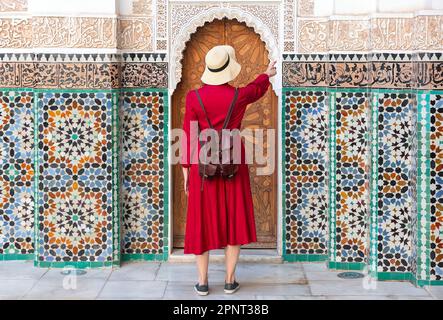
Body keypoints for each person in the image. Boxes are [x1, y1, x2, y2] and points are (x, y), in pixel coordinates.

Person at [180, 45, 277, 296]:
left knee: (201, 222)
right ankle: (229, 281)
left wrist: (186, 174)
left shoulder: (194, 98)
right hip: (234, 162)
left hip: (203, 167)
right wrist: (266, 74)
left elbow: (189, 138)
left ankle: (202, 282)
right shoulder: (238, 95)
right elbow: (255, 90)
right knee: (233, 220)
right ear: (227, 70)